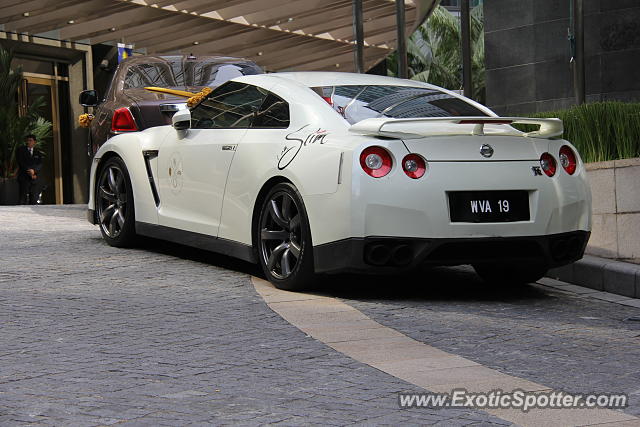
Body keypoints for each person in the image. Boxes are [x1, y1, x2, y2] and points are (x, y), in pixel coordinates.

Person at [16, 134, 43, 205]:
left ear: (35, 142)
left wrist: (34, 171)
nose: (28, 142)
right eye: (27, 140)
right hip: (24, 177)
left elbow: (40, 164)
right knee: (22, 199)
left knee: (34, 199)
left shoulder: (38, 152)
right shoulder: (21, 150)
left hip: (34, 178)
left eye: (30, 140)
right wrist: (29, 171)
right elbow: (21, 162)